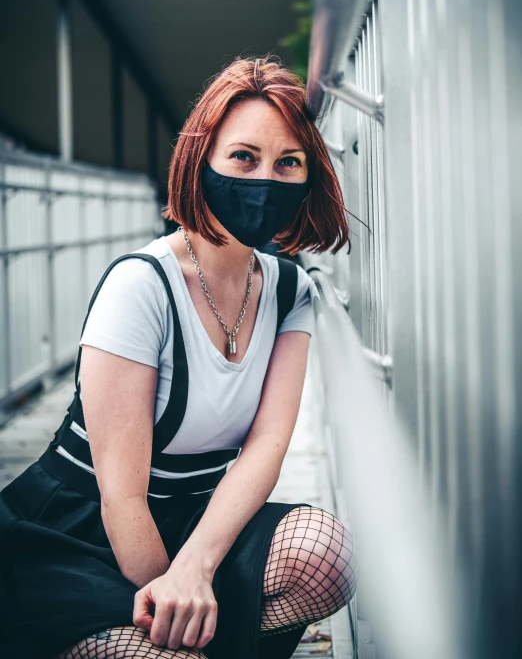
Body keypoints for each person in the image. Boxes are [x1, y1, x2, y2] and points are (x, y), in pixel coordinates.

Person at [0, 55, 358, 659]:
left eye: (287, 163)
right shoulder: (141, 286)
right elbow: (122, 498)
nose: (264, 179)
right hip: (82, 534)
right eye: (243, 157)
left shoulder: (290, 290)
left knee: (326, 554)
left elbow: (265, 452)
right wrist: (169, 594)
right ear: (202, 159)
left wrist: (193, 570)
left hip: (195, 522)